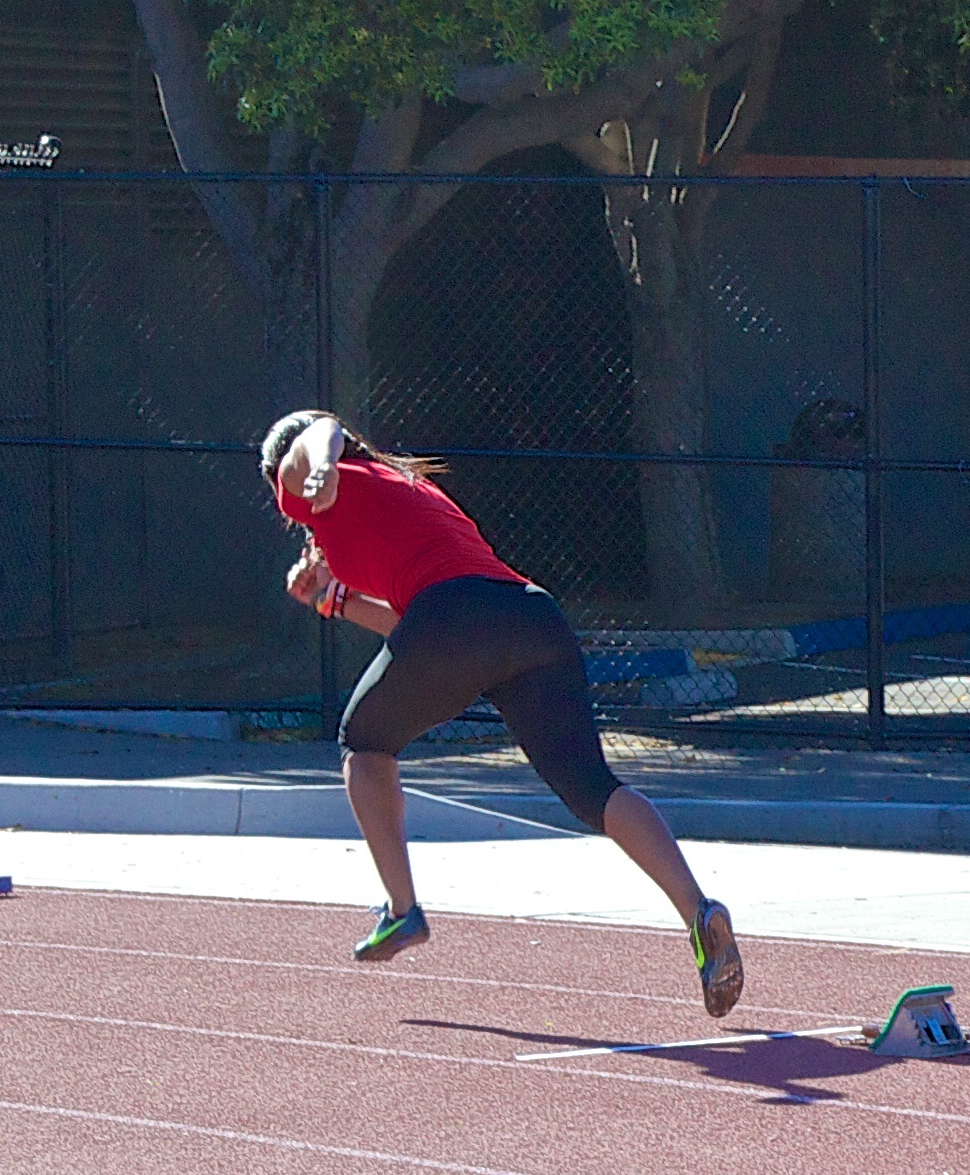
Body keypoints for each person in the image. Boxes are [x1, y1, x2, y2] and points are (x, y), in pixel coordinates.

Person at [261, 411, 739, 1005]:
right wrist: (338, 601)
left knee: (364, 740)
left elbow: (316, 433)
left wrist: (320, 468)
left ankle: (402, 909)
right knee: (594, 789)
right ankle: (698, 909)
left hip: (459, 618)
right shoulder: (406, 490)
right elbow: (415, 630)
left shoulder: (316, 480)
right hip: (531, 618)